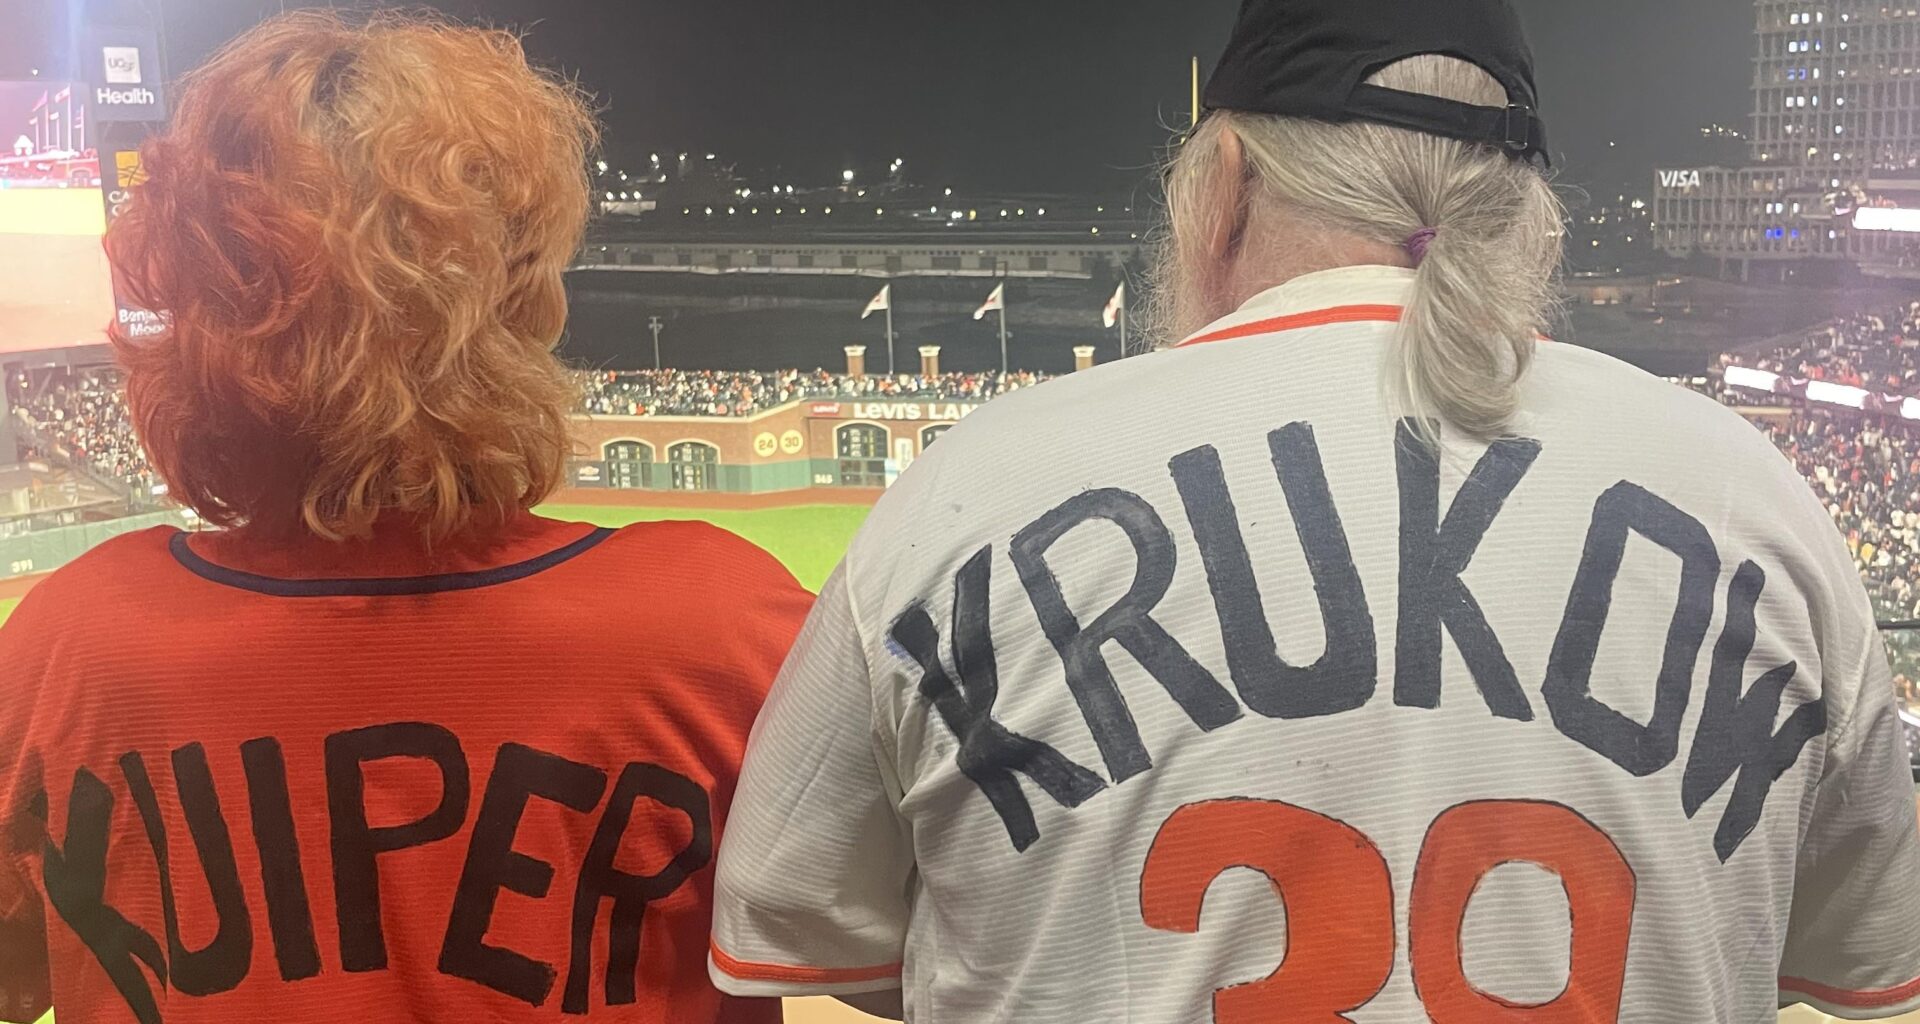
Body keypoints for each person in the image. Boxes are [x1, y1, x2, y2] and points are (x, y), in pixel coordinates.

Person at [708, 0, 1920, 1020]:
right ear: (1527, 223)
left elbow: (804, 932)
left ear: (1221, 188)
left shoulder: (966, 493)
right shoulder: (1759, 503)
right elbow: (1855, 959)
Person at [0, 13, 806, 1024]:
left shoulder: (67, 648)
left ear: (191, 313)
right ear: (515, 297)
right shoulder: (723, 626)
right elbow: (945, 948)